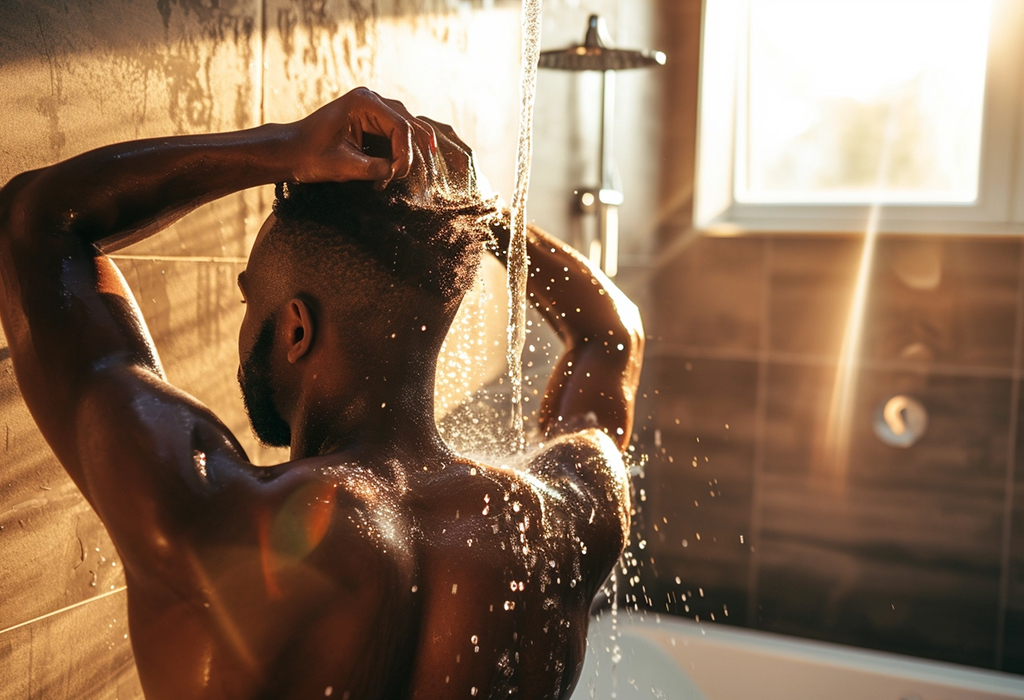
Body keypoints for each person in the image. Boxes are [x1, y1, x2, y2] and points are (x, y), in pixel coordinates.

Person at [0, 87, 644, 700]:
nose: (245, 320)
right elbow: (611, 333)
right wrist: (478, 214)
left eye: (253, 300)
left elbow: (35, 222)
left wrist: (283, 147)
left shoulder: (209, 507)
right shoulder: (557, 517)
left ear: (296, 329)